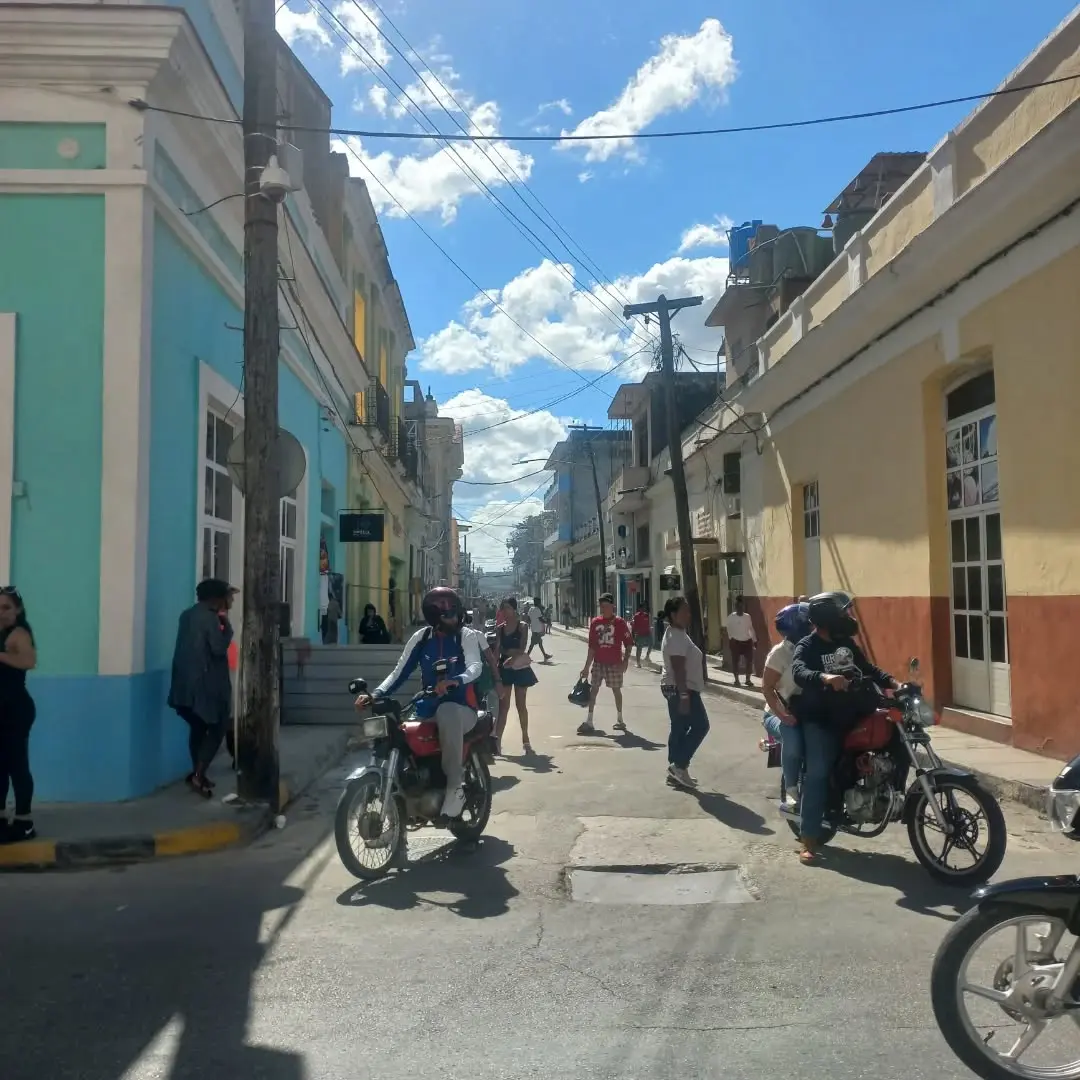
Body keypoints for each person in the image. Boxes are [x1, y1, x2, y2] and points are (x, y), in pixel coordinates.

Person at [789, 590, 899, 865]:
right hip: (822, 719)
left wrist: (893, 682)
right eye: (842, 613)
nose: (847, 617)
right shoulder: (808, 644)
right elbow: (798, 671)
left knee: (895, 737)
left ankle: (893, 796)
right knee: (818, 772)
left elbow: (867, 668)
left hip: (853, 713)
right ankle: (809, 839)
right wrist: (825, 677)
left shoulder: (847, 644)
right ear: (826, 616)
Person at [356, 587, 482, 818]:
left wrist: (455, 680)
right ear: (436, 618)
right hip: (426, 709)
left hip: (462, 708)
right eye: (449, 614)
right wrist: (376, 694)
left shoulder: (466, 636)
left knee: (447, 710)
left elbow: (475, 666)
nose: (456, 618)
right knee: (403, 736)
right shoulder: (422, 638)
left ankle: (455, 788)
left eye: (455, 612)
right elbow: (399, 672)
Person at [168, 579, 237, 798]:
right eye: (229, 596)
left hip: (184, 685)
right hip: (205, 687)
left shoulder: (186, 615)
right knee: (218, 727)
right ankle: (198, 774)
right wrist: (228, 630)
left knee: (197, 728)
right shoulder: (211, 619)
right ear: (217, 599)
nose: (232, 600)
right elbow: (217, 648)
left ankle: (198, 772)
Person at [761, 602, 811, 809]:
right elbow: (767, 689)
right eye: (806, 624)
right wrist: (782, 716)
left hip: (806, 711)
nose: (811, 627)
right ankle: (791, 791)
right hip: (778, 714)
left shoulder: (811, 649)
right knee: (793, 736)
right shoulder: (779, 654)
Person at [660, 596, 710, 789]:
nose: (689, 615)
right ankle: (678, 765)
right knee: (701, 725)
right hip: (682, 687)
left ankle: (676, 770)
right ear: (673, 615)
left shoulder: (678, 633)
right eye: (685, 611)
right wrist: (683, 695)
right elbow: (678, 668)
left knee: (679, 728)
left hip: (679, 687)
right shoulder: (676, 636)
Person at [0, 586, 38, 844]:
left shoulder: (19, 634)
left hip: (16, 710)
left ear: (18, 610)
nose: (1, 613)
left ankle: (24, 821)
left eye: (6, 608)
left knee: (17, 765)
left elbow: (28, 661)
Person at [577, 592, 633, 735]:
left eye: (606, 606)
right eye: (601, 606)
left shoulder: (620, 623)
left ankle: (620, 719)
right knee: (593, 690)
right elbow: (592, 647)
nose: (603, 609)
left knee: (616, 690)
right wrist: (586, 667)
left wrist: (625, 661)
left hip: (614, 663)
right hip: (599, 663)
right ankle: (589, 721)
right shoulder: (595, 622)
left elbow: (628, 643)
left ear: (612, 606)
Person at [495, 597, 538, 754]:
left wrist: (510, 655)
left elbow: (522, 648)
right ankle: (498, 740)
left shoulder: (522, 627)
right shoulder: (500, 628)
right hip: (505, 669)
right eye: (503, 608)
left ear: (514, 609)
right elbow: (498, 650)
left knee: (521, 706)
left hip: (519, 669)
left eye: (507, 608)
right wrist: (496, 663)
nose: (505, 611)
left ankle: (525, 740)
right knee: (503, 707)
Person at [724, 596, 757, 687]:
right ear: (735, 607)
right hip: (736, 642)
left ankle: (748, 679)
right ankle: (736, 680)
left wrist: (754, 640)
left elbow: (750, 629)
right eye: (738, 606)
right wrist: (731, 639)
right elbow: (728, 629)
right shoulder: (731, 617)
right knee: (735, 661)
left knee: (749, 661)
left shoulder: (747, 617)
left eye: (741, 606)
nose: (740, 608)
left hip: (747, 641)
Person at [525, 596, 552, 662]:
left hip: (534, 628)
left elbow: (528, 619)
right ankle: (526, 657)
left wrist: (531, 622)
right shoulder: (537, 610)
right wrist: (547, 622)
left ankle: (545, 655)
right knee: (532, 644)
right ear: (538, 602)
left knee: (539, 643)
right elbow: (541, 619)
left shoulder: (531, 609)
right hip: (537, 629)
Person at [631, 602, 652, 667]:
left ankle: (647, 656)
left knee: (651, 644)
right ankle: (638, 663)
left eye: (644, 608)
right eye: (642, 607)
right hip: (640, 634)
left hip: (647, 633)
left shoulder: (647, 615)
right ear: (640, 608)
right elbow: (633, 626)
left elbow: (649, 623)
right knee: (639, 649)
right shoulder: (636, 616)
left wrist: (650, 629)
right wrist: (633, 636)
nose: (644, 609)